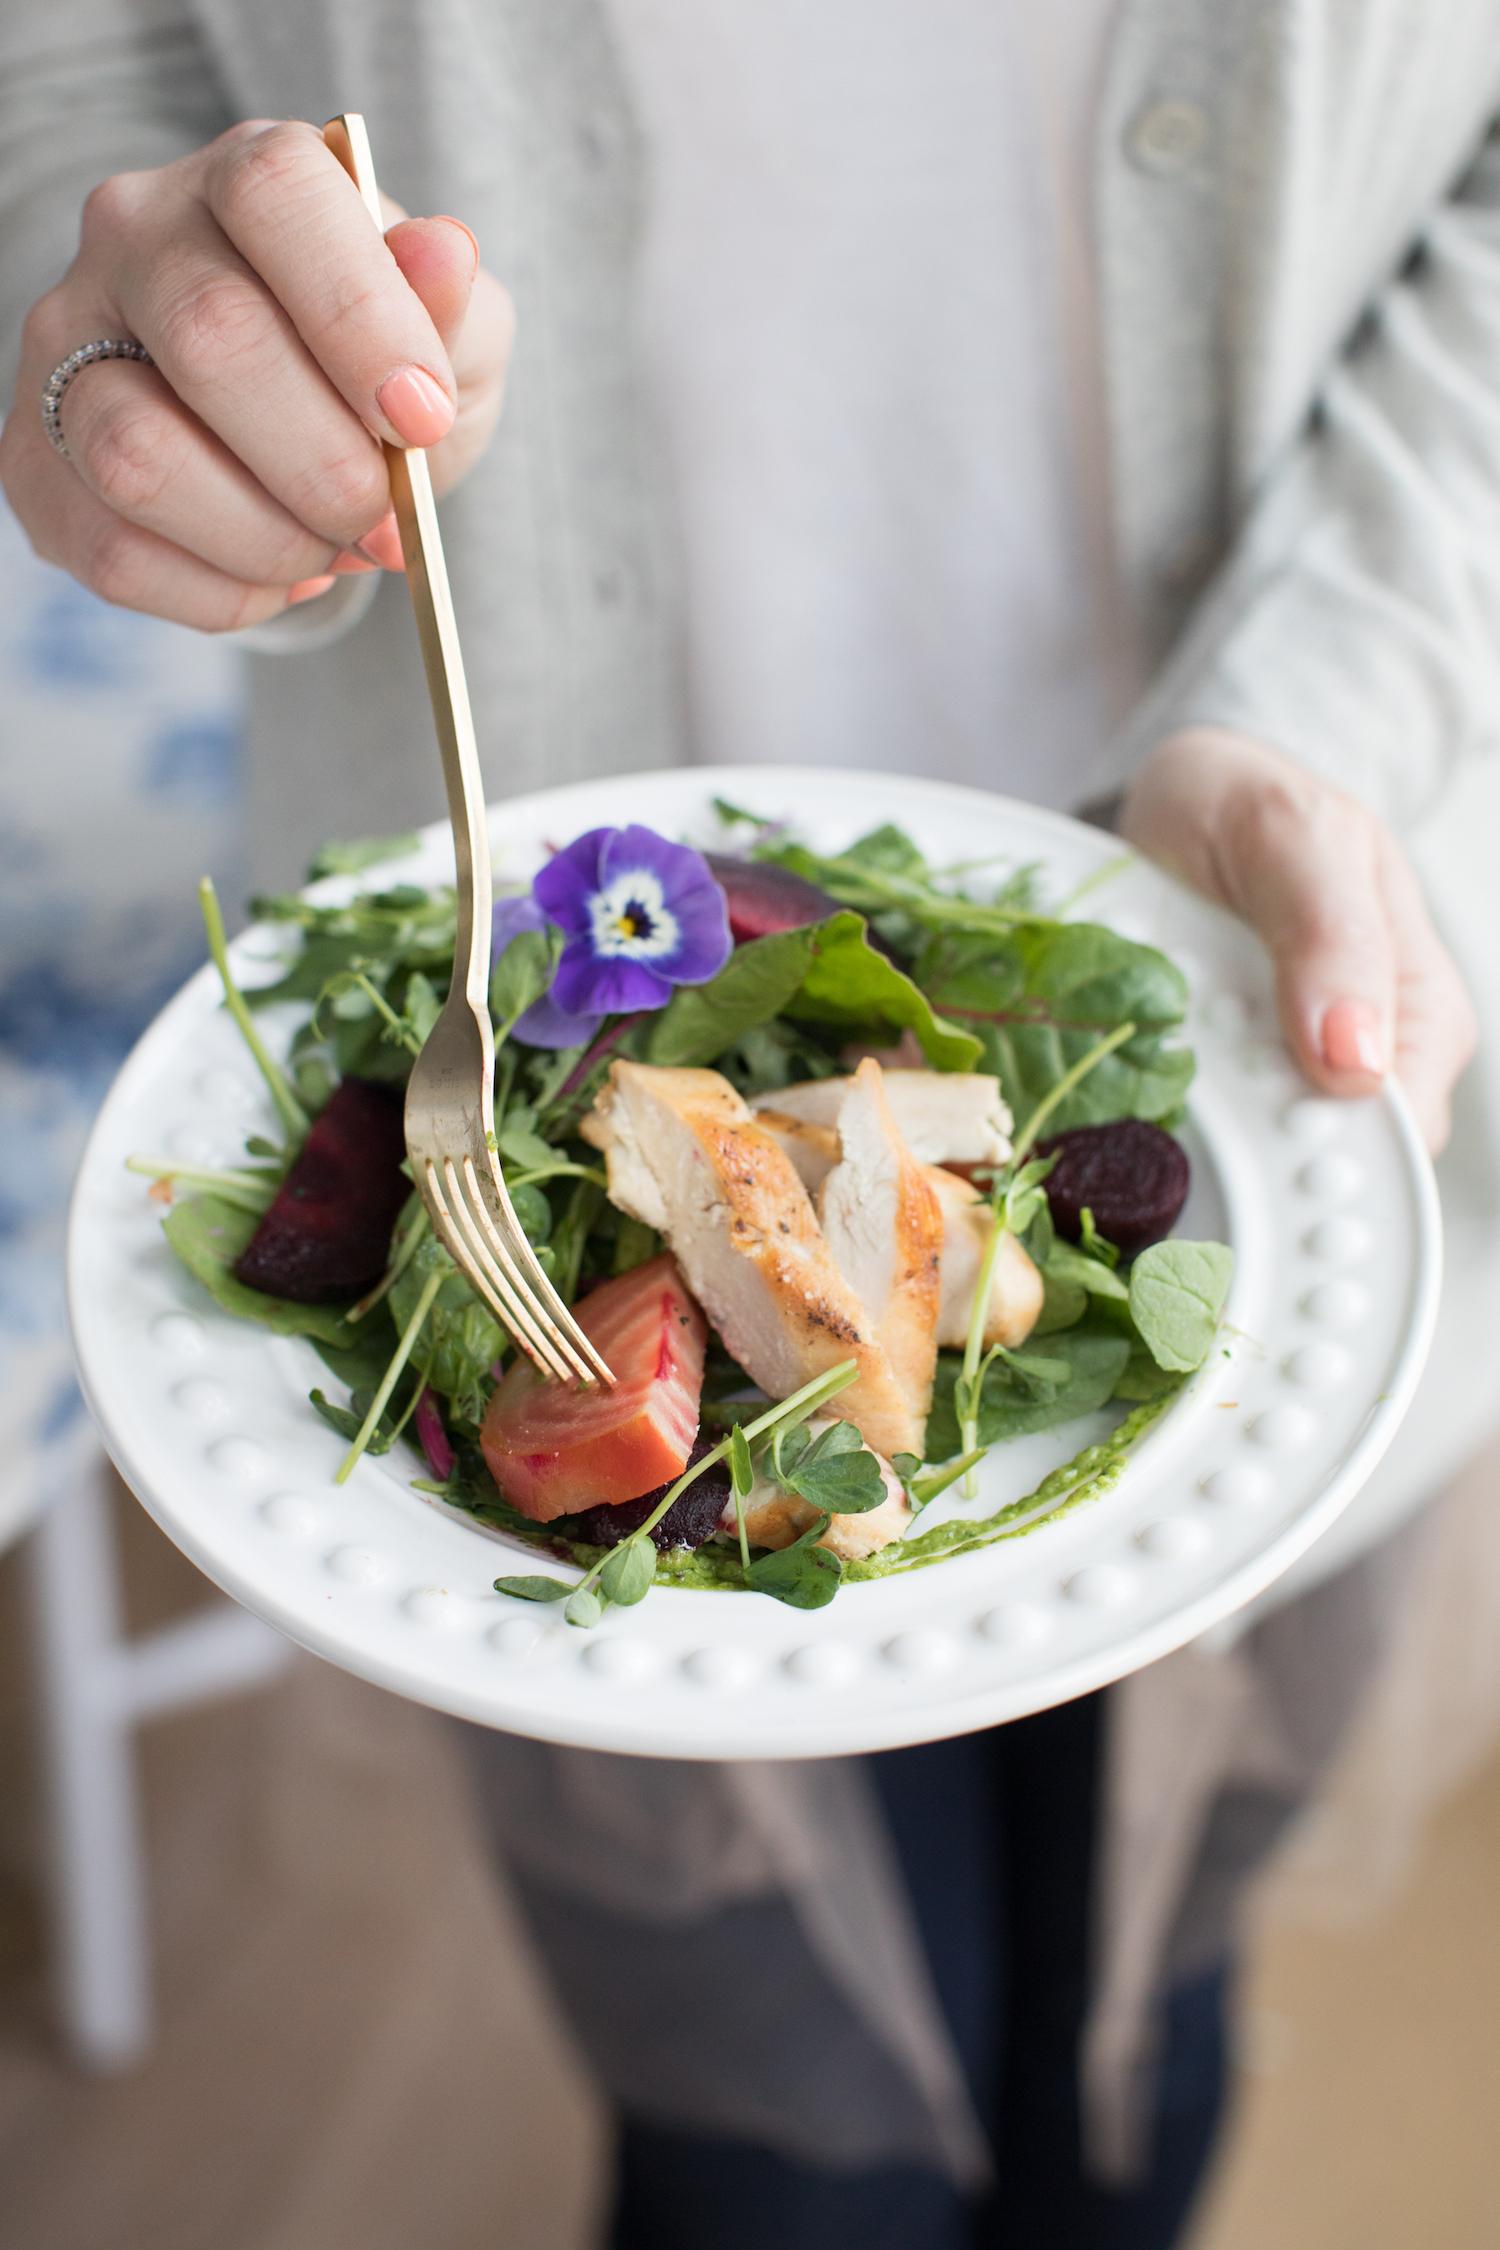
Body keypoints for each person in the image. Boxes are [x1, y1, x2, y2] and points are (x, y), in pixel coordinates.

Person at [3, 5, 1496, 2244]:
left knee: (1136, 2050)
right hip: (516, 955)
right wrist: (137, 341)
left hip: (1287, 943)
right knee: (760, 2163)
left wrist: (1345, 686)